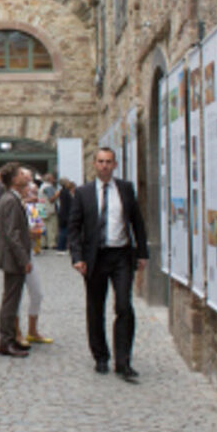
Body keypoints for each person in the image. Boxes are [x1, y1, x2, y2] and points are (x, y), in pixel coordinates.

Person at [68, 147, 148, 383]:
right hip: (95, 257)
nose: (104, 165)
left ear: (115, 165)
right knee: (95, 307)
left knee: (124, 306)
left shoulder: (125, 189)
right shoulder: (83, 193)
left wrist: (142, 252)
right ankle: (101, 356)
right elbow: (74, 228)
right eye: (101, 161)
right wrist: (77, 257)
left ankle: (123, 361)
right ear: (94, 164)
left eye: (109, 162)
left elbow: (137, 222)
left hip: (121, 255)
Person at [0, 162, 33, 358]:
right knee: (10, 300)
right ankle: (6, 341)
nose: (24, 176)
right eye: (20, 174)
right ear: (14, 180)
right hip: (12, 259)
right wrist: (24, 259)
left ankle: (10, 338)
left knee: (11, 298)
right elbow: (12, 234)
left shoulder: (11, 198)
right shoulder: (10, 200)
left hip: (11, 257)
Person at [20, 178, 52, 348]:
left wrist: (36, 233)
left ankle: (32, 330)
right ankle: (16, 332)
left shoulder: (34, 208)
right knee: (16, 295)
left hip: (30, 252)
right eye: (29, 191)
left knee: (37, 293)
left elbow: (40, 229)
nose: (32, 195)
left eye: (34, 192)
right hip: (17, 254)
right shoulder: (16, 205)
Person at [55, 178, 74, 255]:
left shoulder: (62, 192)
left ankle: (61, 247)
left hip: (63, 213)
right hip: (65, 214)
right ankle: (61, 247)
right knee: (64, 231)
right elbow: (70, 204)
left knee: (63, 231)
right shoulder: (65, 192)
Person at [39, 173, 58, 250]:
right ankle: (51, 243)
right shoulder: (49, 187)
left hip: (41, 207)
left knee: (43, 226)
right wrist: (57, 194)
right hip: (48, 208)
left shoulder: (41, 187)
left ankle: (43, 243)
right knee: (51, 226)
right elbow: (51, 199)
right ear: (50, 179)